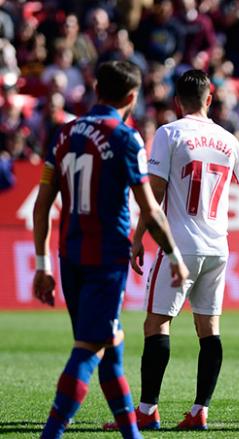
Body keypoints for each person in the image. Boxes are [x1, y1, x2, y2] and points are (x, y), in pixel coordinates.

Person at [104, 69, 239, 431]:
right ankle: (200, 410)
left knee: (157, 323)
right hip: (218, 247)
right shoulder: (227, 139)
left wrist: (137, 239)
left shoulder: (169, 133)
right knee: (209, 328)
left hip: (180, 245)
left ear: (178, 102)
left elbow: (157, 192)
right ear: (210, 99)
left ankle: (147, 411)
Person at [32, 60, 189, 439]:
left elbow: (42, 204)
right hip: (106, 258)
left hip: (69, 256)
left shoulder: (64, 133)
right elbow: (151, 207)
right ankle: (50, 434)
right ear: (132, 97)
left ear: (96, 88)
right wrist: (175, 256)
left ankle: (131, 435)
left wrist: (42, 263)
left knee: (110, 344)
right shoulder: (125, 137)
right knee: (90, 348)